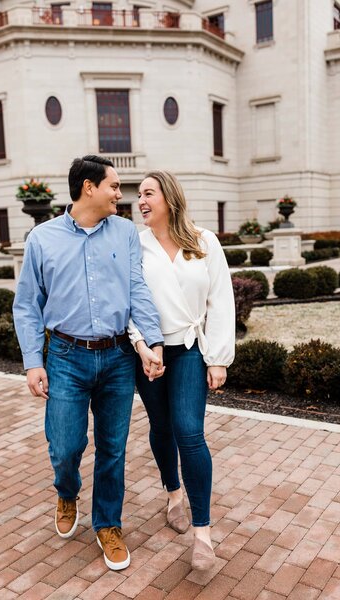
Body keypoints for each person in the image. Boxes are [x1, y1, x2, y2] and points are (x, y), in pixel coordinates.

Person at [13, 155, 164, 571]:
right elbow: (27, 305)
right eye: (114, 186)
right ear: (88, 188)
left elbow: (137, 289)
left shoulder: (125, 233)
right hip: (64, 357)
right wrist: (32, 361)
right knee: (65, 447)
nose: (121, 193)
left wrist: (151, 343)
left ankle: (108, 524)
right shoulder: (41, 239)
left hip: (117, 357)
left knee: (113, 450)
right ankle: (66, 491)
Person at [130, 171, 235, 571]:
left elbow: (220, 299)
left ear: (169, 198)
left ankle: (203, 533)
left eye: (148, 194)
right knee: (161, 427)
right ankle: (173, 494)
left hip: (190, 350)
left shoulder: (204, 241)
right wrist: (142, 346)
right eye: (138, 195)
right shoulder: (135, 246)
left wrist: (219, 357)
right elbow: (129, 301)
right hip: (150, 355)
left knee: (189, 432)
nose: (140, 201)